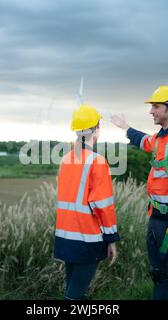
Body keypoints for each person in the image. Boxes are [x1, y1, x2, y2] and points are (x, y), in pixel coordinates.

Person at [111, 85, 168, 300]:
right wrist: (125, 127)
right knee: (158, 275)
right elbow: (144, 141)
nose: (151, 111)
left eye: (156, 106)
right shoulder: (162, 137)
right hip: (156, 219)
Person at [54, 103, 120, 300]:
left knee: (73, 292)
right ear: (97, 130)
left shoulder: (66, 160)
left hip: (65, 238)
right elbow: (103, 206)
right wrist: (112, 239)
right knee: (74, 296)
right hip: (86, 239)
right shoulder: (97, 161)